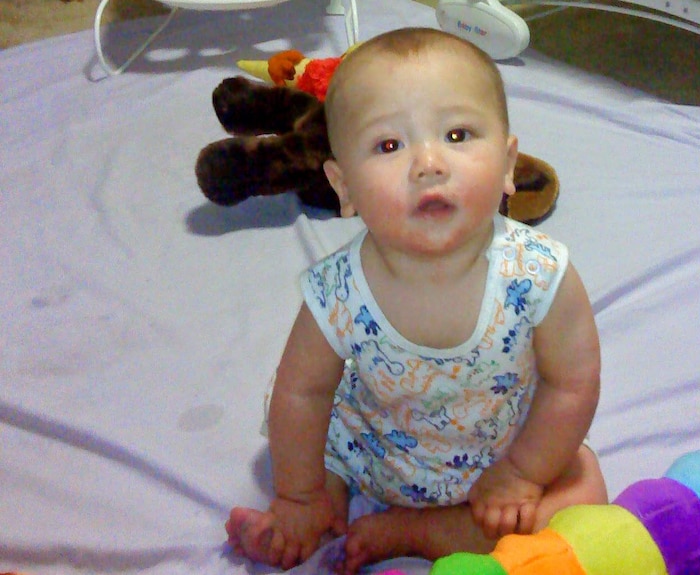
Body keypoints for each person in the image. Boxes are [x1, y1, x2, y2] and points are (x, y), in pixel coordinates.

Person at [225, 26, 608, 575]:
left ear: (506, 166)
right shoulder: (337, 290)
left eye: (457, 135)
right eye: (388, 145)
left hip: (500, 453)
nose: (428, 163)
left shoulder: (540, 273)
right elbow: (301, 393)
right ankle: (319, 510)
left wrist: (524, 471)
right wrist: (299, 492)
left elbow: (573, 383)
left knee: (584, 494)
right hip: (372, 445)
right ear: (344, 187)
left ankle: (421, 532)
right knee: (305, 442)